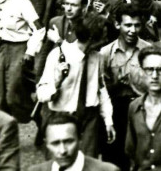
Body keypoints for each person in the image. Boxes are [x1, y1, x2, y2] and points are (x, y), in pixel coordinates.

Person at [36, 15, 115, 157]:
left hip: (89, 119)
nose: (106, 40)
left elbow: (101, 90)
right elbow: (41, 95)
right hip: (62, 117)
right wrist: (58, 81)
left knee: (88, 164)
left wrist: (108, 121)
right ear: (92, 39)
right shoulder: (57, 55)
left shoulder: (97, 58)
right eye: (103, 37)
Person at [99, 4, 152, 171]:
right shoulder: (106, 53)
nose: (132, 30)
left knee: (143, 159)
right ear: (117, 25)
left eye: (137, 25)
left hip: (142, 110)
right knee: (114, 160)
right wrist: (117, 83)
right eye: (128, 25)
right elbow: (101, 87)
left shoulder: (149, 52)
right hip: (116, 111)